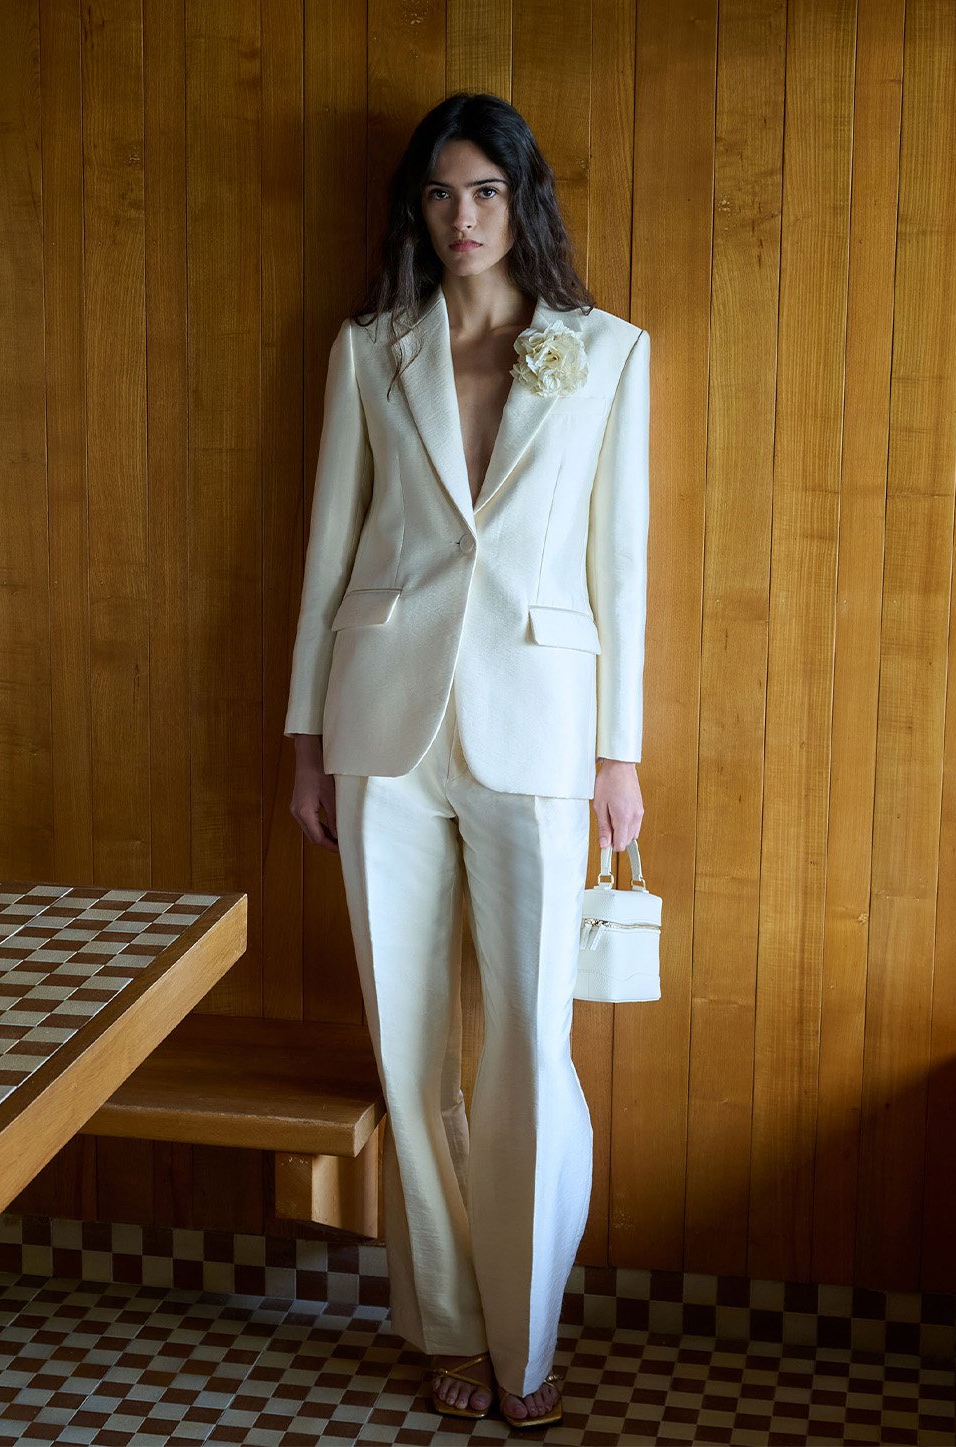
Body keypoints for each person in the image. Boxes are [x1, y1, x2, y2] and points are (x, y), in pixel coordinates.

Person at [283, 91, 650, 1430]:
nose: (463, 216)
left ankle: (524, 1338)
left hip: (542, 731)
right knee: (409, 1045)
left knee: (530, 1052)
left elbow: (624, 564)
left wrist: (618, 753)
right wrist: (306, 740)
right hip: (383, 728)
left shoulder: (605, 353)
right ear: (418, 211)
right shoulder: (371, 350)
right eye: (441, 194)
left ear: (523, 200)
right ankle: (445, 1319)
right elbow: (330, 548)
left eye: (486, 190)